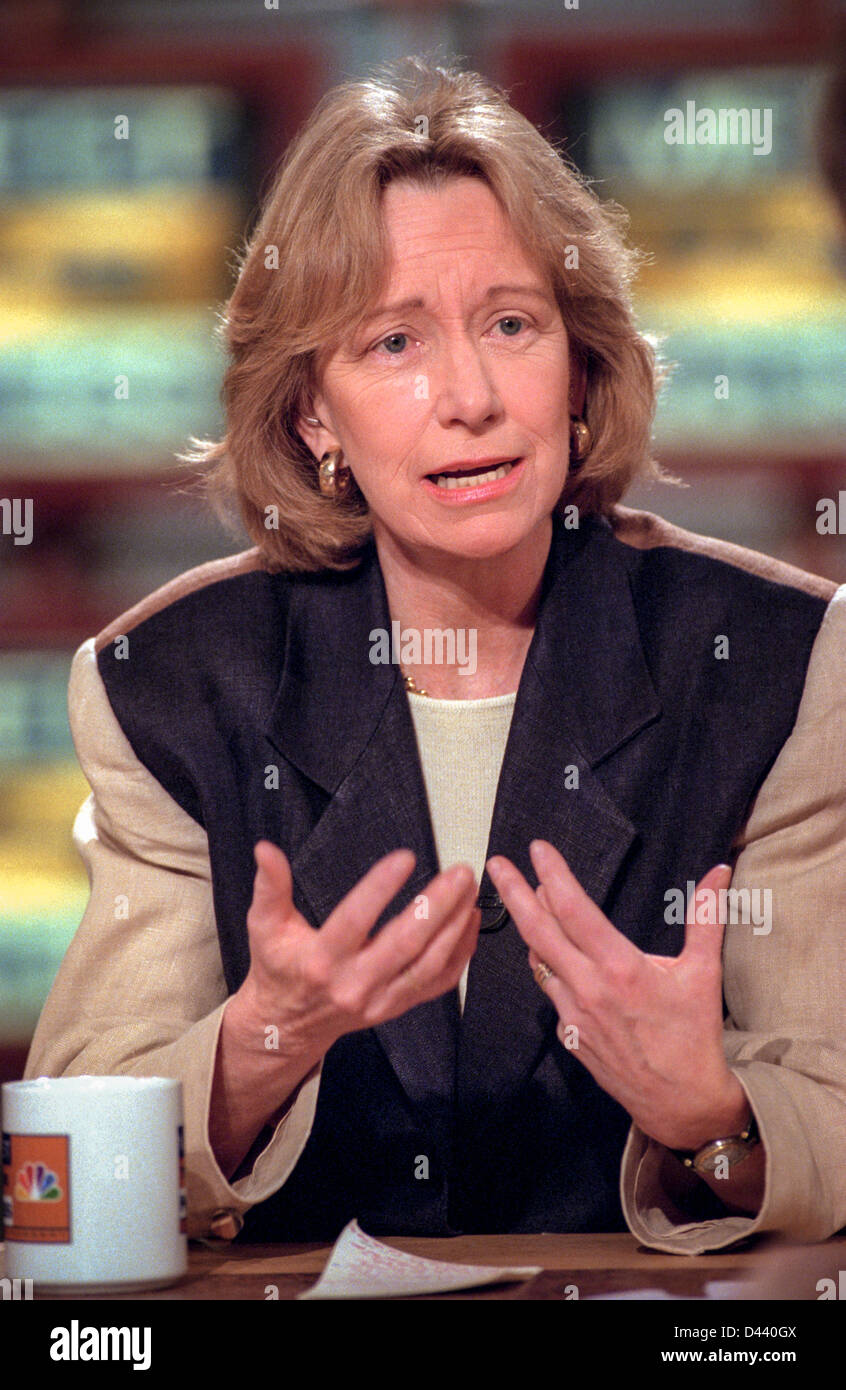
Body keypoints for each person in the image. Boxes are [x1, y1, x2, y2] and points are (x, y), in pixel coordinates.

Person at [26, 57, 846, 1254]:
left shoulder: (774, 665)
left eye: (511, 325)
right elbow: (60, 1180)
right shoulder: (172, 688)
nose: (468, 396)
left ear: (579, 368)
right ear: (315, 415)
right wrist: (267, 1035)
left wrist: (712, 1114)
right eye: (394, 343)